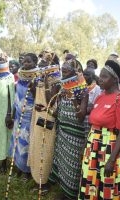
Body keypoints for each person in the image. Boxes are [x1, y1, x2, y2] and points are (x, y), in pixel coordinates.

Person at [78, 59, 120, 199]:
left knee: (107, 182)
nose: (100, 79)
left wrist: (111, 160)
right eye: (100, 76)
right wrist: (86, 146)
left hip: (109, 147)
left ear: (114, 80)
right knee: (91, 179)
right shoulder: (101, 96)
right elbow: (93, 124)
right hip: (93, 144)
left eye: (104, 77)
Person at [49, 59, 88, 200]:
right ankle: (63, 191)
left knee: (72, 168)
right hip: (63, 131)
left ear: (75, 72)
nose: (62, 74)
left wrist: (73, 98)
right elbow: (56, 108)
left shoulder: (83, 90)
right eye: (62, 71)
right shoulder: (62, 87)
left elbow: (81, 116)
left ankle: (71, 195)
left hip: (75, 136)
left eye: (65, 71)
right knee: (63, 163)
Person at [29, 61, 61, 194]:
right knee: (37, 146)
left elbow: (50, 102)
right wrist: (32, 83)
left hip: (48, 118)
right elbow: (34, 95)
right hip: (38, 115)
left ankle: (45, 182)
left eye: (44, 66)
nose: (41, 68)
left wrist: (47, 83)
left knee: (45, 149)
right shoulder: (40, 79)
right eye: (40, 66)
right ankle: (37, 178)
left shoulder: (57, 82)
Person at [8, 53, 38, 179]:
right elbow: (16, 97)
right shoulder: (20, 76)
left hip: (29, 116)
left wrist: (33, 89)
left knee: (26, 142)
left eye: (29, 62)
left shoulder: (38, 77)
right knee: (16, 140)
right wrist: (13, 114)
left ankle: (27, 171)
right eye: (24, 62)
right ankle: (18, 167)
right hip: (18, 114)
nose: (25, 64)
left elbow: (39, 98)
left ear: (35, 63)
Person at [82, 67, 101, 135]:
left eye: (87, 75)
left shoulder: (97, 89)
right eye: (83, 74)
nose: (84, 76)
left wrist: (83, 110)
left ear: (92, 76)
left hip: (89, 117)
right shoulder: (80, 87)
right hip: (81, 114)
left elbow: (95, 106)